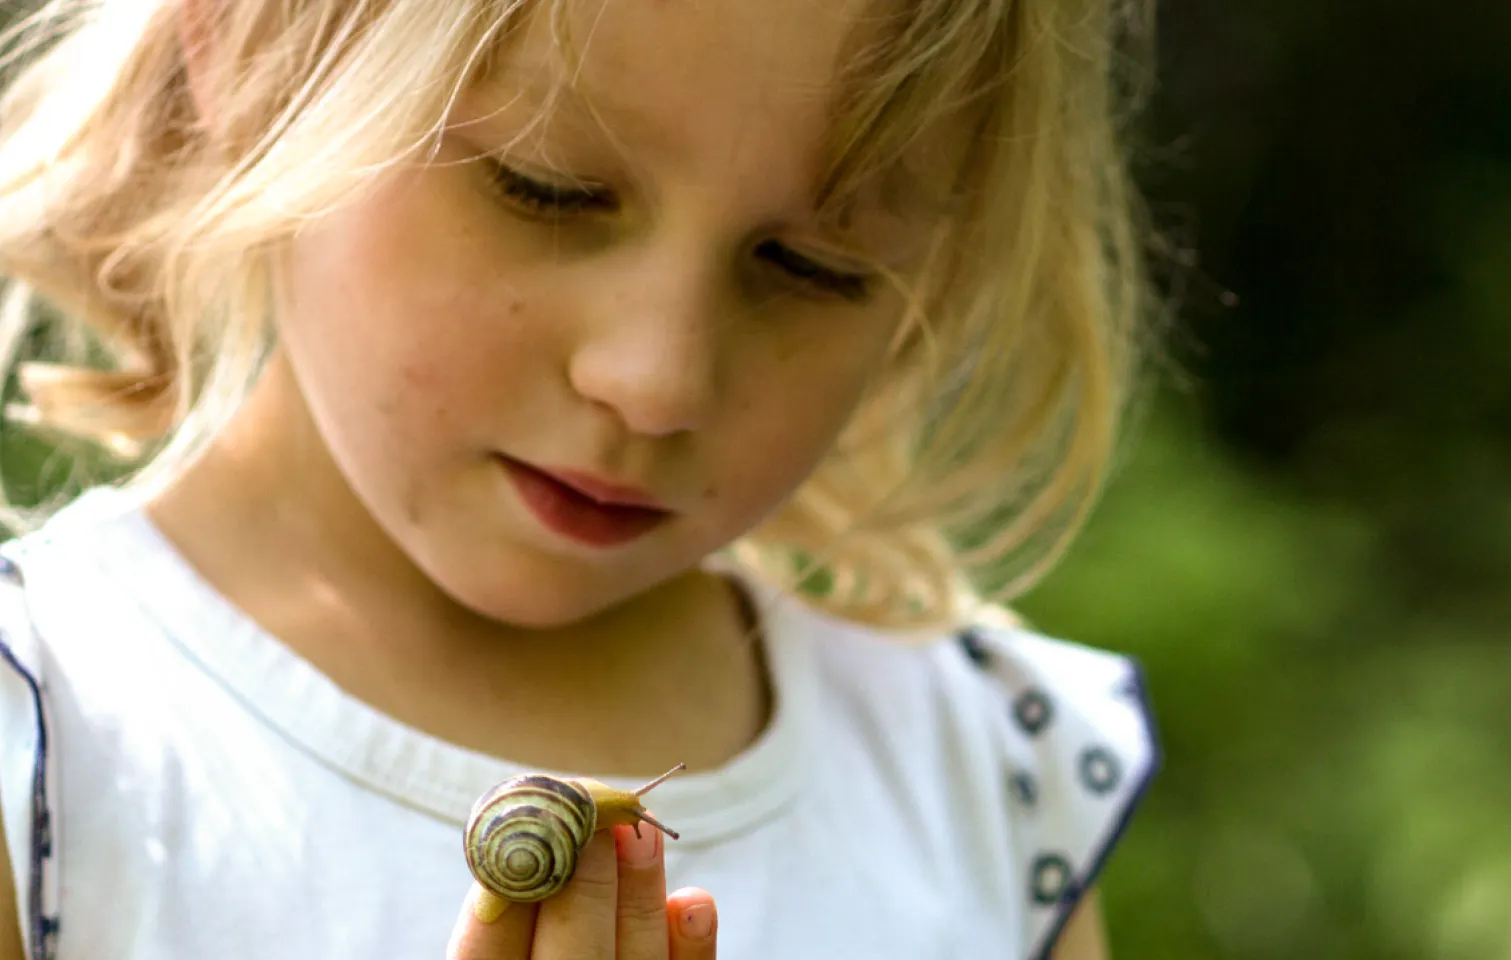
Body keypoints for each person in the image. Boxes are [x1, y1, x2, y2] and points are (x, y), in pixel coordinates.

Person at [0, 0, 1162, 954]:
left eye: (811, 267)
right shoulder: (50, 749)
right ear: (252, 51)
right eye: (543, 187)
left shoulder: (986, 795)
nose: (655, 383)